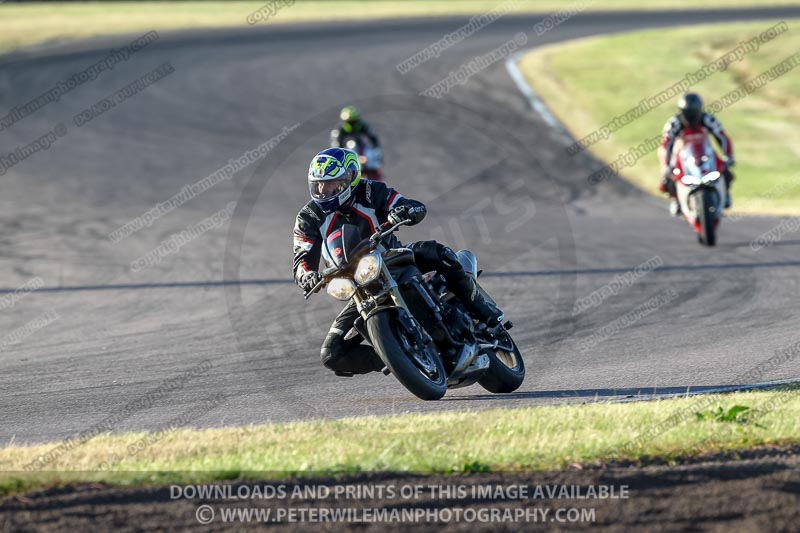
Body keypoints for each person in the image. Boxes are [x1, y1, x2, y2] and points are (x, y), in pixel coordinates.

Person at [292, 148, 503, 376]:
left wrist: (405, 210)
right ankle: (400, 356)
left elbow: (404, 203)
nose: (323, 190)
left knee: (437, 252)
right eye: (318, 185)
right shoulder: (309, 217)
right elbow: (302, 257)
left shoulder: (372, 191)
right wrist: (307, 275)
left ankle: (483, 310)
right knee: (331, 353)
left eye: (331, 183)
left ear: (350, 178)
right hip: (359, 285)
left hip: (392, 258)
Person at [658, 92, 735, 215]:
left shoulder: (708, 119)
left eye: (694, 113)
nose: (691, 118)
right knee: (666, 179)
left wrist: (728, 157)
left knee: (725, 169)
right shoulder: (674, 123)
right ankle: (676, 199)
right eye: (688, 114)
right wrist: (665, 165)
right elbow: (665, 145)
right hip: (682, 154)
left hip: (704, 151)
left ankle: (725, 194)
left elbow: (722, 137)